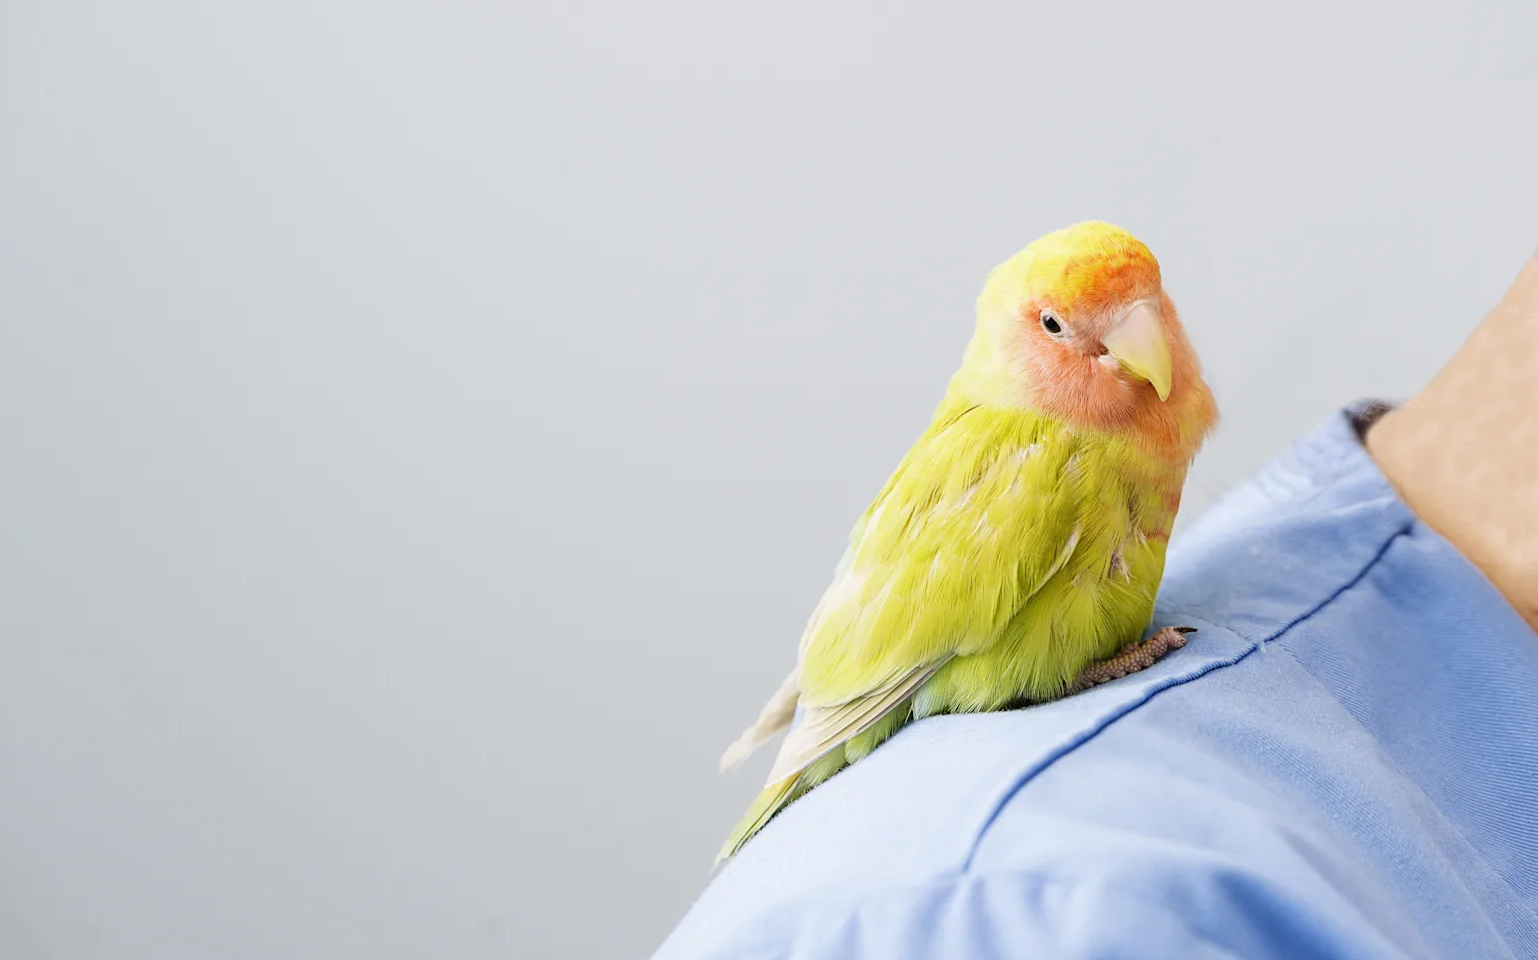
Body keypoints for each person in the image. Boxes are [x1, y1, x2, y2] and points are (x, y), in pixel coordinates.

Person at [655, 252, 1538, 959]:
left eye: (1150, 308)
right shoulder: (1037, 903)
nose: (1133, 344)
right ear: (1019, 339)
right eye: (1059, 328)